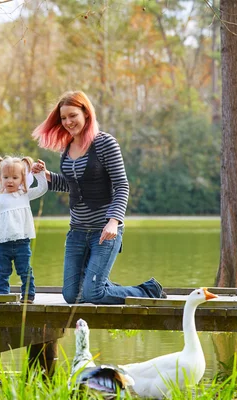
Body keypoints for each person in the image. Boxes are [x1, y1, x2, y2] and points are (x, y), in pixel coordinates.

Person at [31, 90, 165, 304]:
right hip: (77, 232)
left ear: (86, 113)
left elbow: (122, 184)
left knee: (93, 294)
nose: (67, 122)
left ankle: (148, 291)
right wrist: (46, 176)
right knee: (71, 296)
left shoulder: (105, 143)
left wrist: (114, 221)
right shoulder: (67, 147)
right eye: (63, 118)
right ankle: (102, 286)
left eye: (72, 115)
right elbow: (72, 185)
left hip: (104, 231)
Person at [0, 154, 48, 304]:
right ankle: (3, 296)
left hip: (22, 242)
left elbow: (43, 188)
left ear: (22, 179)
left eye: (15, 177)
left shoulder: (25, 195)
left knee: (25, 270)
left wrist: (40, 174)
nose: (10, 181)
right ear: (0, 178)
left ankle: (28, 296)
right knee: (2, 272)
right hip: (2, 243)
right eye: (6, 177)